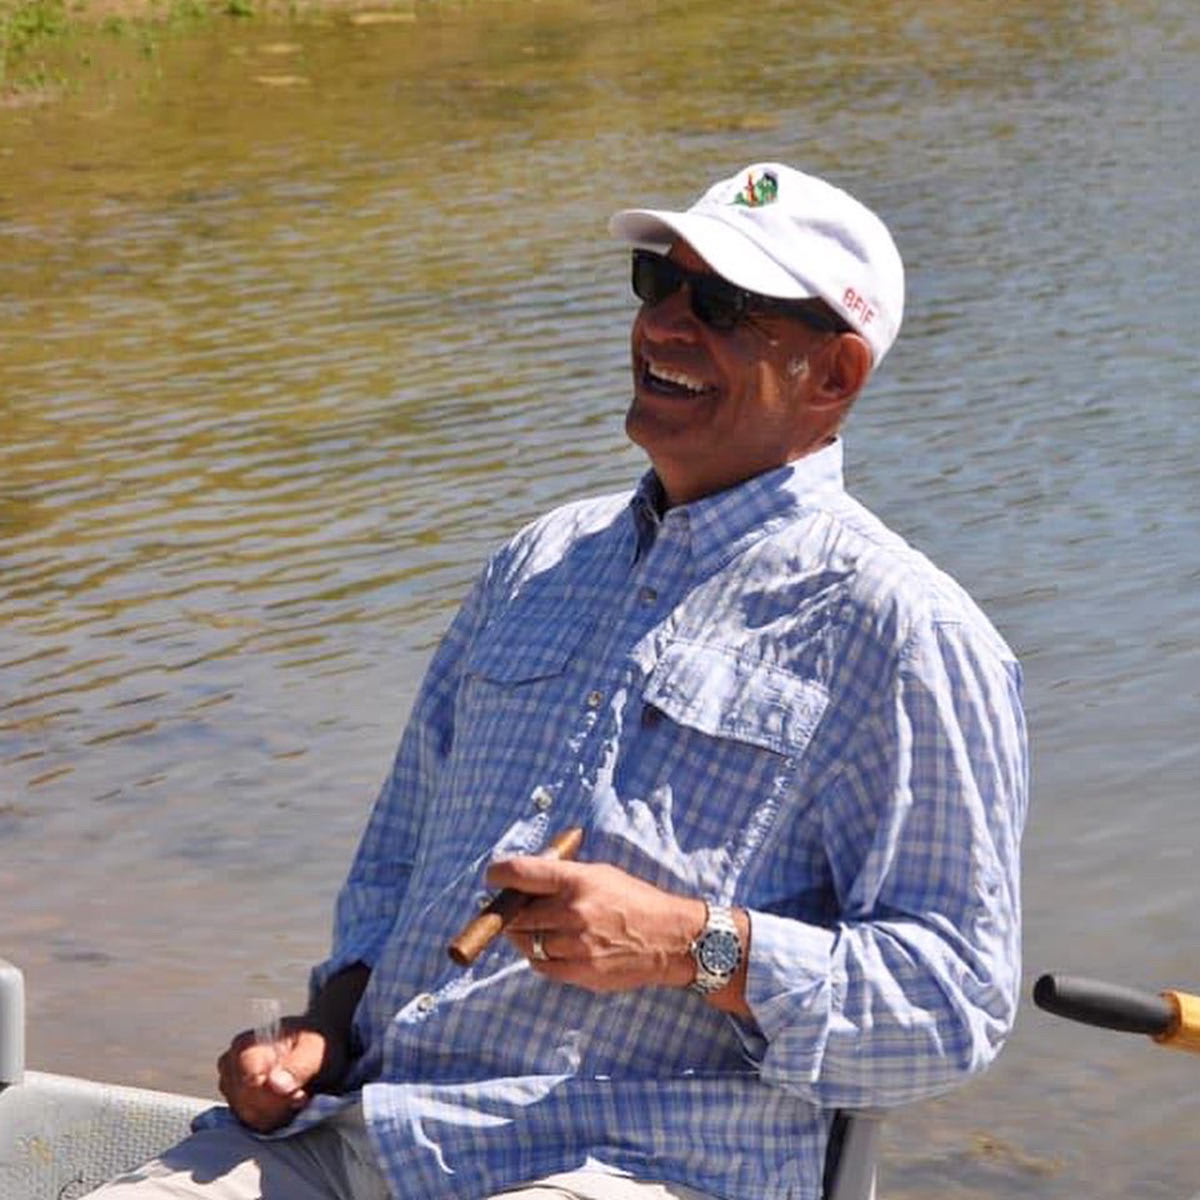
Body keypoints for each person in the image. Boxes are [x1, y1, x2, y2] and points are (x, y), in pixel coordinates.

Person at [90, 163, 1028, 1200]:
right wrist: (322, 1036)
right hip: (372, 1130)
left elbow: (952, 1012)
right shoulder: (540, 559)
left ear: (835, 375)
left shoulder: (906, 633)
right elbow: (395, 871)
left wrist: (694, 946)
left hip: (628, 1167)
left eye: (721, 306)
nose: (666, 326)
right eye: (655, 283)